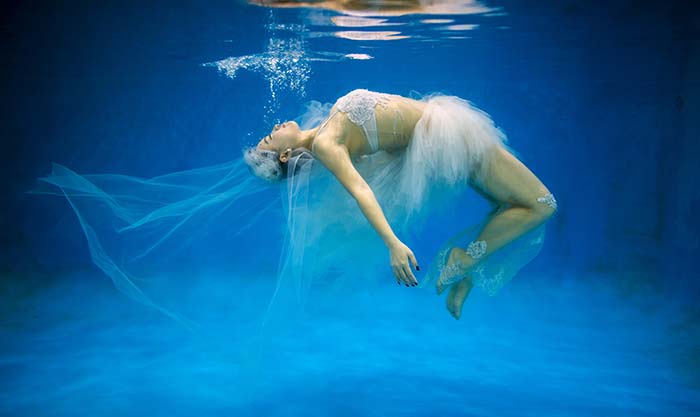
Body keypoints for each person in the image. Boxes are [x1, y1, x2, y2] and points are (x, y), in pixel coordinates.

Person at [244, 89, 558, 320]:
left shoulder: (325, 128)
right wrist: (393, 243)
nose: (273, 130)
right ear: (285, 156)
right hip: (448, 138)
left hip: (443, 130)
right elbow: (361, 190)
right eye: (270, 139)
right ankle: (465, 262)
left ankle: (467, 273)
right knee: (542, 203)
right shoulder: (326, 145)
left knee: (512, 204)